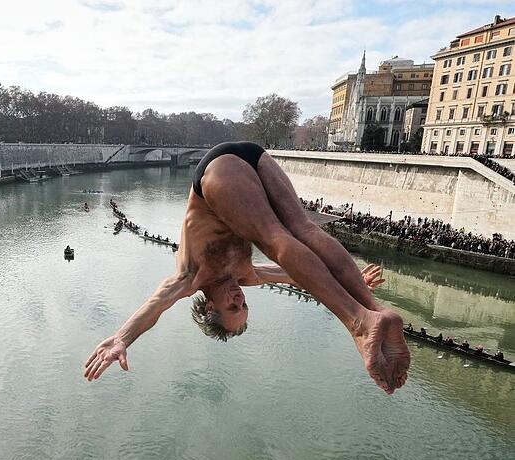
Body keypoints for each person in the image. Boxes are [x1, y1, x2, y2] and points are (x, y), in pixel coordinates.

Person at [84, 141, 409, 394]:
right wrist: (356, 282)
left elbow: (155, 306)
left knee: (275, 238)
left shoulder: (189, 277)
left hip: (216, 172)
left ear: (210, 306)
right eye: (243, 304)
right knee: (305, 230)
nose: (240, 298)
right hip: (255, 157)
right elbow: (299, 277)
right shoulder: (247, 276)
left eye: (232, 306)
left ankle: (359, 323)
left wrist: (122, 338)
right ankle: (374, 310)